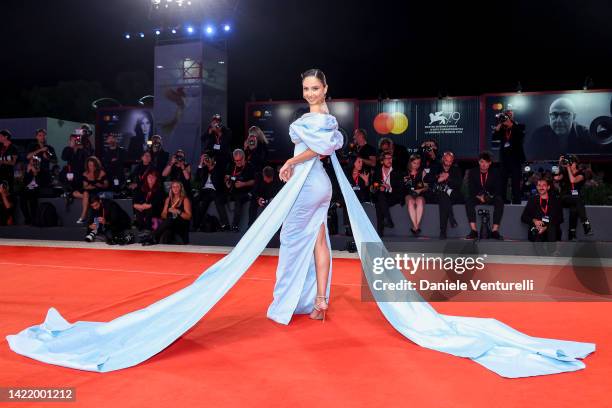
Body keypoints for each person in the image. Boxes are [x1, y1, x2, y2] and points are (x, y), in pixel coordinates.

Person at [7, 69, 595, 379]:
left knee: (294, 241)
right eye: (306, 88)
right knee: (312, 239)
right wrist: (300, 158)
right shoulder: (321, 120)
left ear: (326, 90)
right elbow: (327, 149)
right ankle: (312, 303)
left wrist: (291, 159)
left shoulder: (319, 123)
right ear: (307, 90)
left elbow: (318, 150)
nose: (311, 93)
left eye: (316, 87)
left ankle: (291, 305)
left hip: (307, 181)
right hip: (316, 187)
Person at [464, 151, 504, 240]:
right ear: (479, 162)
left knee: (499, 201)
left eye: (486, 162)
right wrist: (479, 197)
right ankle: (473, 231)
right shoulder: (472, 172)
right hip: (477, 196)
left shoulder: (495, 172)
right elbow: (471, 189)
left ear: (490, 163)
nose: (484, 164)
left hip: (490, 197)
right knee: (469, 201)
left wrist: (488, 197)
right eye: (482, 162)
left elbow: (498, 189)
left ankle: (494, 231)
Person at [553, 154, 593, 240]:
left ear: (576, 163)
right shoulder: (564, 172)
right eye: (569, 163)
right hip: (564, 198)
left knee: (574, 209)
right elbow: (556, 178)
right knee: (577, 200)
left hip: (575, 200)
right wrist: (559, 164)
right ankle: (585, 224)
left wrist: (568, 169)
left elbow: (573, 180)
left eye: (571, 163)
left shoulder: (581, 173)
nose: (570, 165)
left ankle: (572, 234)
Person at [424, 151, 463, 239]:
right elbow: (426, 179)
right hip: (436, 194)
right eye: (446, 160)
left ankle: (443, 231)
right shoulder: (436, 167)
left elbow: (458, 184)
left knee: (444, 198)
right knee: (443, 196)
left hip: (452, 195)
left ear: (452, 161)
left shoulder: (456, 169)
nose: (448, 163)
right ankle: (451, 219)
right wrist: (438, 178)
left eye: (450, 161)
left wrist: (448, 178)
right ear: (443, 159)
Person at [492, 110, 526, 204]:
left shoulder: (518, 126)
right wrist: (499, 124)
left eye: (510, 115)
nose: (508, 117)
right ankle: (503, 201)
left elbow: (521, 136)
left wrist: (511, 124)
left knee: (516, 182)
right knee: (503, 182)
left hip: (516, 159)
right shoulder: (502, 128)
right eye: (506, 115)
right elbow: (494, 138)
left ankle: (516, 201)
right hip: (504, 159)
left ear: (512, 117)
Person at [143, 181, 192, 245]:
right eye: (173, 187)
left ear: (181, 188)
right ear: (171, 189)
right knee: (166, 232)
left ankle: (151, 236)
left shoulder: (185, 199)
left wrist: (178, 211)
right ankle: (155, 243)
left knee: (170, 220)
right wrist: (166, 211)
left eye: (177, 187)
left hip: (181, 223)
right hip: (170, 224)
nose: (175, 188)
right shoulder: (168, 199)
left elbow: (188, 217)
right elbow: (163, 216)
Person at [193, 152, 230, 231]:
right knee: (196, 201)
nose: (207, 160)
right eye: (206, 158)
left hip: (215, 190)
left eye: (208, 158)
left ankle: (225, 224)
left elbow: (218, 180)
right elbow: (197, 178)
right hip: (204, 190)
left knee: (218, 202)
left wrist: (211, 166)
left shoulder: (219, 167)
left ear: (213, 159)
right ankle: (195, 225)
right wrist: (201, 163)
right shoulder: (204, 168)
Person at [371, 151, 404, 237]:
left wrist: (389, 188)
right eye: (387, 159)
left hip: (393, 195)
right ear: (382, 161)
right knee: (380, 199)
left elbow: (401, 188)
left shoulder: (397, 171)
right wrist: (379, 188)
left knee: (379, 201)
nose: (390, 160)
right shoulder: (377, 172)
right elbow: (373, 186)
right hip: (381, 195)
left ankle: (381, 230)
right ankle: (388, 222)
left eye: (391, 158)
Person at [521, 177, 563, 242]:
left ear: (548, 187)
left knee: (552, 229)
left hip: (551, 230)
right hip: (537, 229)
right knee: (536, 232)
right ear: (537, 187)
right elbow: (524, 217)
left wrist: (546, 227)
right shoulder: (532, 200)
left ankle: (552, 251)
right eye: (539, 185)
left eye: (544, 185)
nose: (541, 187)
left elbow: (560, 219)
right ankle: (541, 251)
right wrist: (534, 221)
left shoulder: (555, 201)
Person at [224, 149, 256, 232]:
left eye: (239, 160)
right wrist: (228, 182)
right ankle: (225, 225)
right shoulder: (231, 166)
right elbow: (227, 177)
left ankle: (235, 225)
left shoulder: (249, 166)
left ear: (244, 158)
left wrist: (244, 184)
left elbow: (254, 181)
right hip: (233, 191)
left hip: (246, 191)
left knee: (240, 199)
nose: (237, 162)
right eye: (236, 160)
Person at [75, 157, 109, 224]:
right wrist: (88, 187)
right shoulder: (85, 173)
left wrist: (100, 185)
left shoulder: (101, 172)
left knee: (85, 194)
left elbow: (106, 185)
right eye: (89, 165)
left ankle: (83, 216)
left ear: (96, 165)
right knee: (76, 193)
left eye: (93, 165)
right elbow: (85, 186)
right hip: (89, 191)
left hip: (98, 190)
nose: (91, 167)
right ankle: (88, 198)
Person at [403, 154, 427, 236]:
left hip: (420, 194)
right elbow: (403, 186)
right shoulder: (405, 172)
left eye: (418, 163)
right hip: (408, 194)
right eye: (414, 163)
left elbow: (426, 186)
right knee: (410, 202)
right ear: (410, 162)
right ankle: (416, 227)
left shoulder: (422, 172)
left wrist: (420, 190)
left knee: (419, 201)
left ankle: (415, 228)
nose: (416, 165)